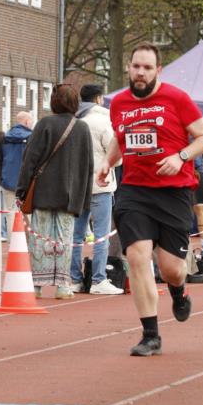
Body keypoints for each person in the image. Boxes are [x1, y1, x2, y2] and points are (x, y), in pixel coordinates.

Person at [97, 43, 203, 357]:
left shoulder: (177, 98)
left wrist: (180, 156)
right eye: (136, 66)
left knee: (172, 268)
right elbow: (121, 140)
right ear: (129, 68)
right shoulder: (119, 102)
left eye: (147, 68)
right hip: (135, 190)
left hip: (174, 190)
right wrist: (108, 163)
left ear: (158, 70)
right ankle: (151, 335)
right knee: (137, 256)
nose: (140, 73)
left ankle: (179, 292)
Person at [16, 83, 93, 300]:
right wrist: (84, 198)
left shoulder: (44, 124)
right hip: (70, 194)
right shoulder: (82, 127)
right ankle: (63, 285)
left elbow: (30, 159)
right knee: (64, 239)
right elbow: (88, 166)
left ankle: (36, 285)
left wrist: (21, 190)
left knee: (40, 238)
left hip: (43, 191)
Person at [70, 84, 122, 296]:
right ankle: (99, 279)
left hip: (77, 186)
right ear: (99, 98)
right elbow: (115, 155)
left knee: (76, 235)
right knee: (101, 235)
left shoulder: (74, 120)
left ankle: (74, 279)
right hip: (100, 185)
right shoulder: (104, 121)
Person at [0, 111, 34, 242]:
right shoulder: (32, 137)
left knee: (10, 213)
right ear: (26, 122)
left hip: (8, 180)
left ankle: (12, 242)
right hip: (26, 181)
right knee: (28, 212)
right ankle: (31, 242)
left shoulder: (5, 137)